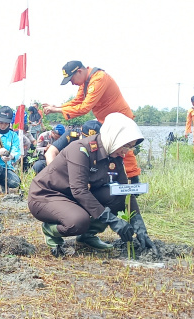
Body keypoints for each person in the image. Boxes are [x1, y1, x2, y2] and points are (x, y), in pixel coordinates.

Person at [28, 113, 157, 257]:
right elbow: (79, 191)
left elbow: (124, 191)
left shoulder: (114, 155)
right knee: (78, 221)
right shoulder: (81, 149)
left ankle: (87, 236)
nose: (126, 152)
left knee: (116, 195)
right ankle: (50, 230)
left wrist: (139, 226)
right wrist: (113, 221)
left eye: (130, 148)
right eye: (125, 146)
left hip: (73, 198)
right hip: (47, 195)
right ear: (114, 137)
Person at [42, 60, 141, 182]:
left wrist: (56, 110)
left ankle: (133, 180)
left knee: (124, 149)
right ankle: (111, 180)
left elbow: (84, 107)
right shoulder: (85, 83)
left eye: (71, 79)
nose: (72, 83)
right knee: (109, 151)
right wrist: (56, 107)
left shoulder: (98, 79)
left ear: (79, 71)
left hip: (121, 120)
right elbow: (77, 101)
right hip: (105, 122)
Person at [33, 120, 102, 174]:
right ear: (81, 130)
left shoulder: (103, 143)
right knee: (38, 165)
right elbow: (50, 153)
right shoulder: (71, 135)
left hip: (87, 167)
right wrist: (54, 173)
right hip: (65, 164)